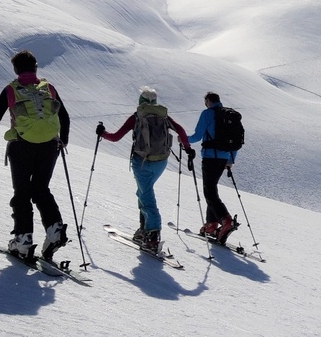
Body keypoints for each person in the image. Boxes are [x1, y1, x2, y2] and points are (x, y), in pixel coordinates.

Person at [0, 50, 71, 261]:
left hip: (21, 146)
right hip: (50, 145)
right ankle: (55, 229)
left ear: (16, 70)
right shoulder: (48, 88)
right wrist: (63, 140)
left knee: (22, 192)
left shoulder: (11, 90)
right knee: (41, 189)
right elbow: (64, 117)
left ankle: (23, 239)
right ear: (35, 67)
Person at [96, 87, 192, 254]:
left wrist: (103, 133)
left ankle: (153, 235)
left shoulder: (137, 116)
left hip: (142, 163)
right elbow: (181, 131)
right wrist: (188, 148)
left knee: (147, 197)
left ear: (141, 101)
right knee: (143, 192)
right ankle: (144, 230)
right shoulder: (164, 116)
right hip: (161, 162)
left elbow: (116, 137)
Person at [187, 91, 239, 242]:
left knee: (209, 192)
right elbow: (234, 142)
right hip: (224, 159)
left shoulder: (207, 114)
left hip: (210, 157)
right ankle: (211, 223)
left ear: (208, 101)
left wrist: (184, 139)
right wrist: (230, 160)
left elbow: (197, 136)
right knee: (212, 189)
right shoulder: (229, 116)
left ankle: (225, 220)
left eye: (206, 102)